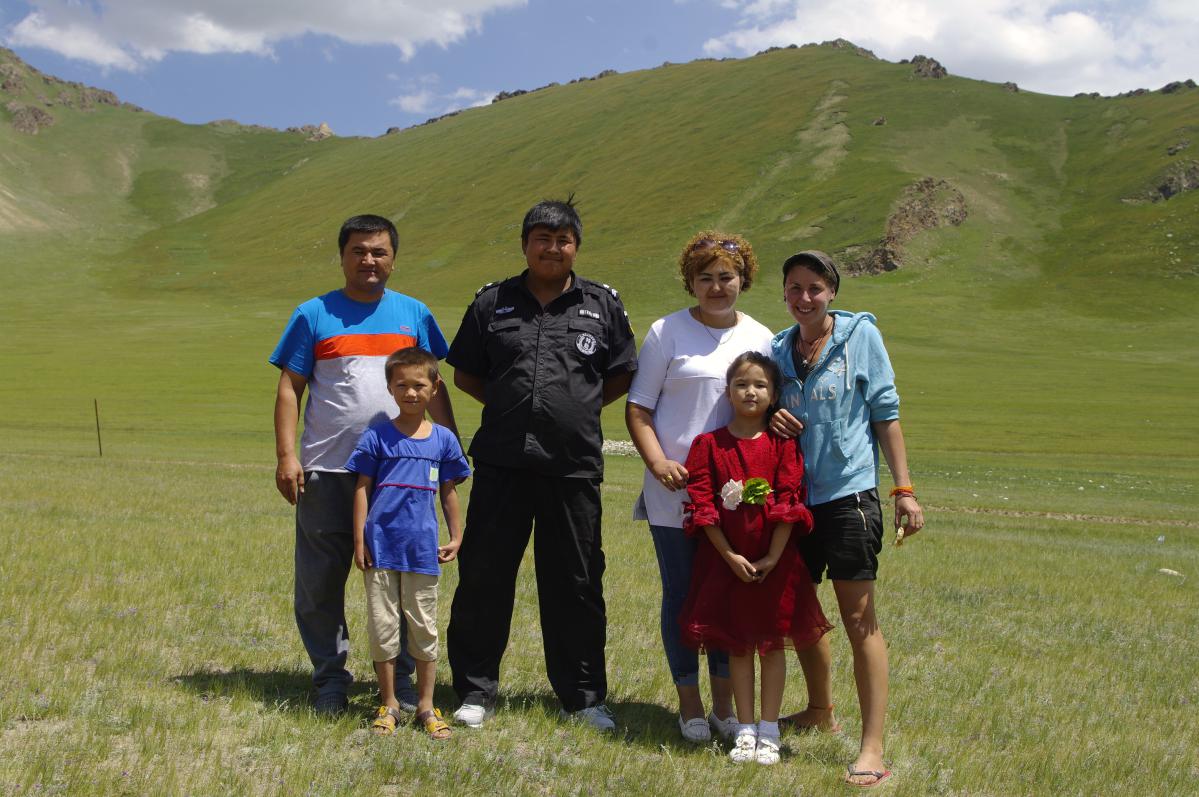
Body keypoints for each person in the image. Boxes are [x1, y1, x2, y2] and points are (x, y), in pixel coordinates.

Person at [445, 198, 637, 732]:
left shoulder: (602, 305)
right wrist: (514, 407)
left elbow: (620, 374)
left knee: (575, 581)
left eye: (563, 239)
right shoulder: (492, 302)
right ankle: (475, 691)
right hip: (502, 462)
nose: (553, 248)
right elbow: (466, 374)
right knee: (484, 577)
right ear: (525, 243)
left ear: (576, 245)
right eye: (542, 238)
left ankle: (582, 698)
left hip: (572, 467)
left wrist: (574, 408)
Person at [270, 214, 458, 715]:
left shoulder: (414, 314)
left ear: (393, 258)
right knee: (320, 582)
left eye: (378, 251)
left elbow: (434, 385)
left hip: (403, 474)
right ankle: (330, 678)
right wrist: (287, 456)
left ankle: (395, 687)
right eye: (358, 251)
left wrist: (450, 446)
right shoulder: (313, 314)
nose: (368, 260)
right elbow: (290, 386)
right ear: (342, 256)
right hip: (327, 469)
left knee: (398, 581)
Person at [768, 250, 925, 788]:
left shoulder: (861, 338)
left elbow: (886, 412)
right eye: (794, 288)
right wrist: (772, 414)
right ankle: (818, 710)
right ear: (784, 293)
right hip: (795, 501)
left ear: (831, 291)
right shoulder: (775, 349)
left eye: (814, 288)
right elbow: (761, 406)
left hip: (849, 495)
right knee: (798, 613)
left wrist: (904, 490)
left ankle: (871, 746)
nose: (804, 298)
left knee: (859, 620)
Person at [624, 231, 774, 744]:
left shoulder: (761, 335)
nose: (715, 287)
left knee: (729, 596)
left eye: (725, 277)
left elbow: (767, 408)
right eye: (704, 277)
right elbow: (639, 408)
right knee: (684, 594)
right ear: (690, 281)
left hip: (739, 494)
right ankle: (689, 706)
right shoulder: (666, 332)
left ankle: (725, 708)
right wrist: (658, 460)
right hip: (676, 490)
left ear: (743, 280)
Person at [679, 352, 832, 766]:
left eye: (761, 385)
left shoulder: (783, 444)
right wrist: (730, 556)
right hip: (724, 566)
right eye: (742, 384)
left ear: (773, 395)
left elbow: (790, 502)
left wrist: (771, 558)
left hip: (776, 567)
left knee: (772, 647)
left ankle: (769, 730)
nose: (751, 391)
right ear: (727, 391)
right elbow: (703, 507)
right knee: (739, 647)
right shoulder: (708, 446)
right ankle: (743, 729)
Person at [347, 347, 470, 740]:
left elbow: (448, 492)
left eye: (419, 385)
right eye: (402, 385)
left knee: (424, 629)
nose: (411, 393)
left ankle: (426, 706)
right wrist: (360, 539)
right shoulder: (377, 435)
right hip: (381, 548)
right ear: (390, 388)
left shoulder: (444, 439)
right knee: (383, 628)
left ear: (435, 388)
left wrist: (457, 535)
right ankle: (388, 704)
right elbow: (362, 489)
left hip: (422, 551)